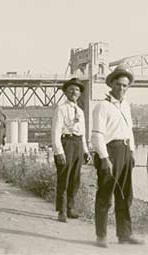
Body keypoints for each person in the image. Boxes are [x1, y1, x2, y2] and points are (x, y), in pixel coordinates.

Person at [91, 66, 143, 248]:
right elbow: (97, 135)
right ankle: (101, 236)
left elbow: (129, 131)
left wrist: (133, 152)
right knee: (105, 194)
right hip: (110, 151)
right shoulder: (102, 106)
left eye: (125, 86)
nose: (121, 89)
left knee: (126, 195)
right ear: (112, 83)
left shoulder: (126, 106)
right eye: (119, 84)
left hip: (126, 152)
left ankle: (125, 234)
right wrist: (104, 158)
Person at [51, 78, 92, 222]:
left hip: (78, 144)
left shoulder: (80, 111)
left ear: (80, 93)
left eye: (77, 90)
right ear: (65, 92)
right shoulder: (60, 109)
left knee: (75, 179)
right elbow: (55, 132)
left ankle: (70, 208)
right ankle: (61, 211)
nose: (74, 92)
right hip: (66, 143)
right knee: (64, 178)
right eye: (71, 89)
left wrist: (86, 151)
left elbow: (83, 132)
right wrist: (59, 151)